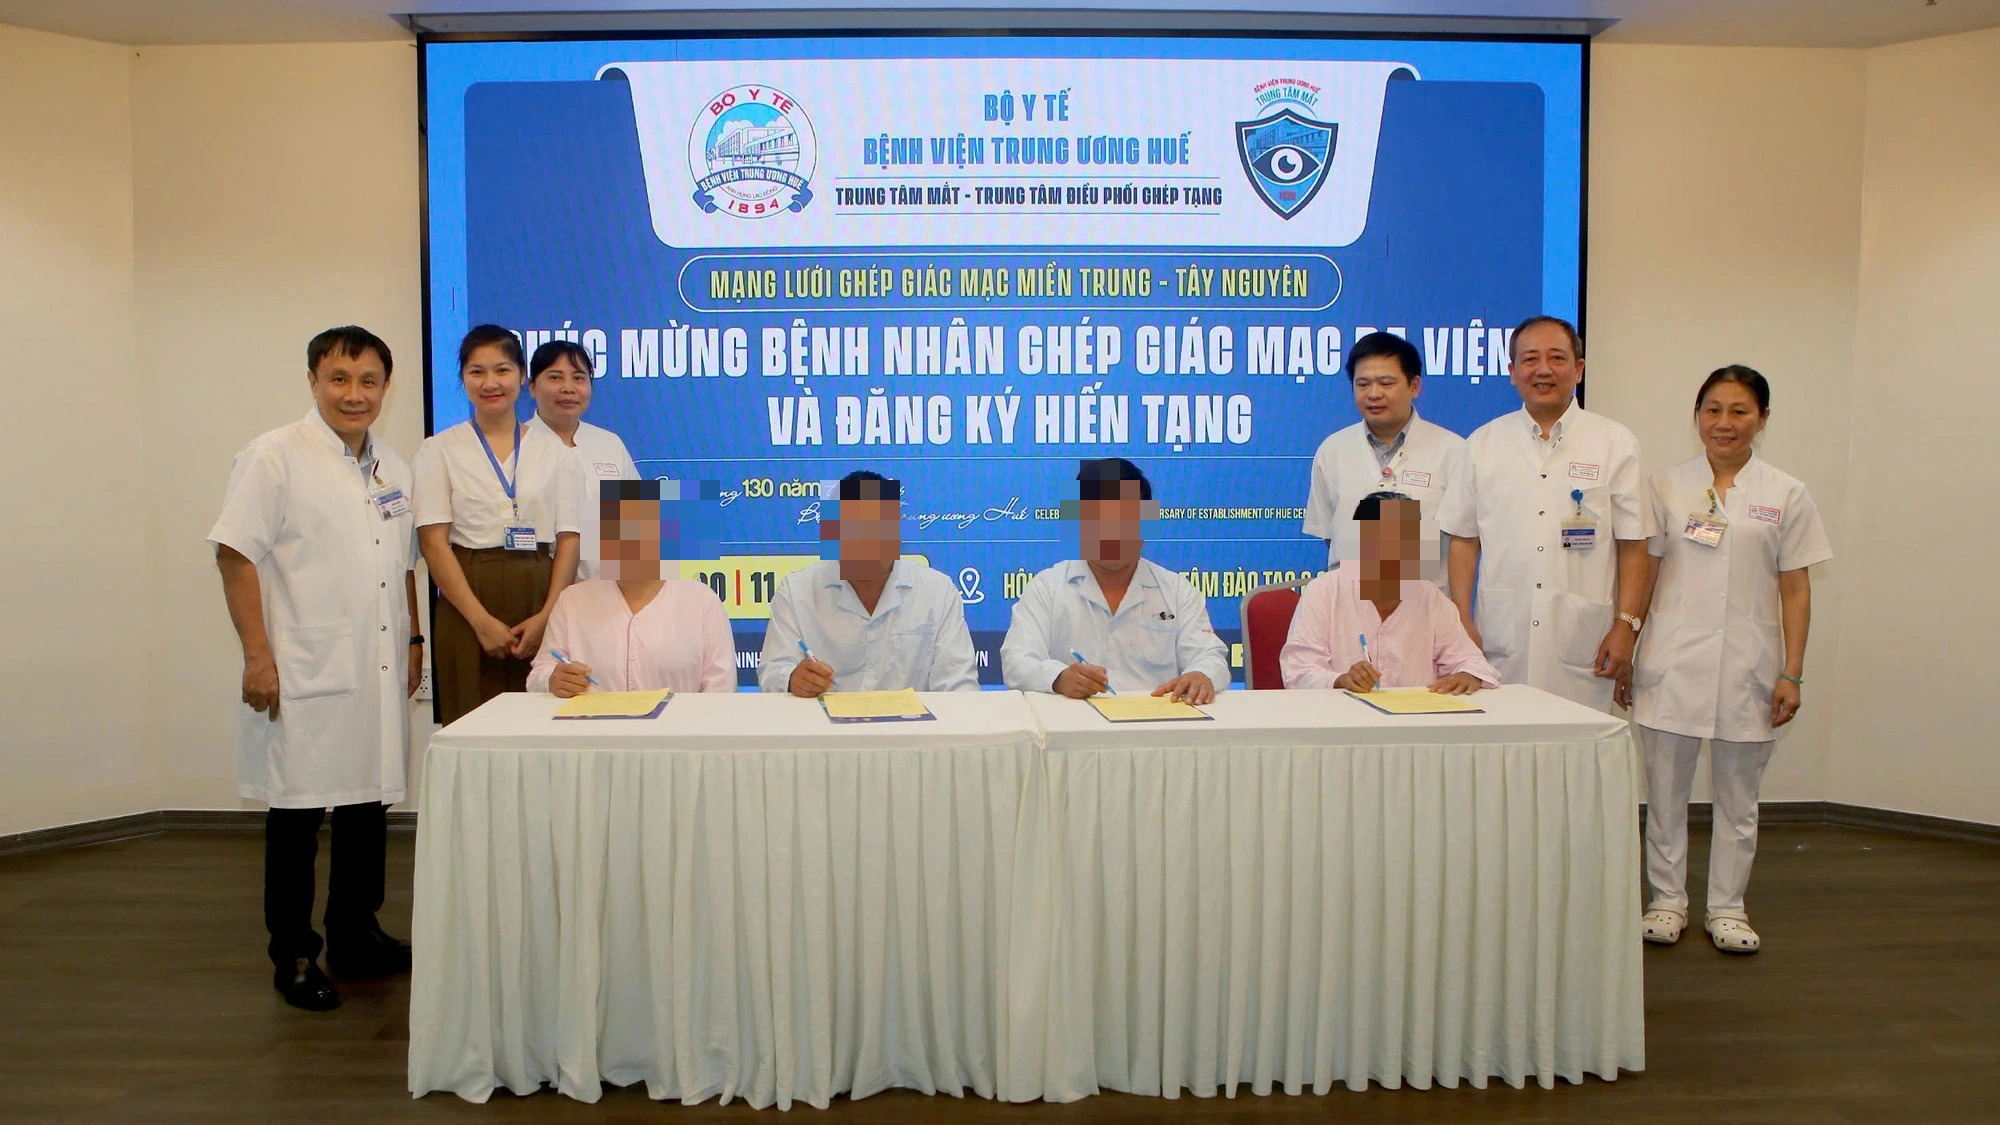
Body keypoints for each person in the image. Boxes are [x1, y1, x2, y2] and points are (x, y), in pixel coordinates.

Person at [208, 326, 421, 1011]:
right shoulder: (274, 456)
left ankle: (356, 931)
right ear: (312, 380)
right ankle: (294, 952)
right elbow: (235, 556)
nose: (353, 394)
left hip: (378, 660)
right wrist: (257, 655)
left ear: (386, 388)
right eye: (339, 378)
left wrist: (414, 644)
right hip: (303, 662)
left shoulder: (392, 462)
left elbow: (404, 561)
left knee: (367, 802)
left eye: (367, 381)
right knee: (297, 812)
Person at [1615, 367, 1831, 954]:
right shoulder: (1665, 487)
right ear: (1696, 416)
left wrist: (1793, 669)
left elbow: (1796, 587)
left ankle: (1728, 908)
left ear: (1763, 418)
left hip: (1750, 668)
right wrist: (1628, 647)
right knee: (1664, 792)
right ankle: (1667, 900)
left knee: (1739, 799)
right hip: (1671, 662)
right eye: (1713, 410)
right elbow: (1645, 572)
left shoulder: (1785, 492)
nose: (1724, 423)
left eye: (1738, 411)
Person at [1440, 315, 1652, 710]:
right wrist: (1462, 621)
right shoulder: (1482, 444)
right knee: (1502, 761)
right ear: (1512, 372)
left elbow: (1633, 546)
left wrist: (1626, 625)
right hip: (1501, 638)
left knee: (1577, 763)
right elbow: (1464, 542)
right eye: (1530, 359)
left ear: (1579, 369)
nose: (1542, 370)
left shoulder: (1615, 443)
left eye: (1556, 358)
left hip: (1585, 642)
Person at [413, 324, 583, 724]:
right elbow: (434, 544)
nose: (490, 382)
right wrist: (480, 621)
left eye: (502, 370)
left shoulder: (555, 452)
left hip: (541, 595)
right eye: (477, 372)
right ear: (463, 379)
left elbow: (570, 541)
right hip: (467, 598)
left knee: (543, 723)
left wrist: (547, 617)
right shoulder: (439, 450)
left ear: (522, 377)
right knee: (473, 724)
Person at [1002, 458, 1230, 702]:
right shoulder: (1047, 587)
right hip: (1071, 730)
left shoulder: (1177, 591)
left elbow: (1209, 654)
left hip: (1159, 728)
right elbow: (1017, 660)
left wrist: (1201, 674)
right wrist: (1058, 678)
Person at [759, 471, 979, 695]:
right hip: (823, 727)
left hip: (913, 727)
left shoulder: (938, 591)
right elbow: (773, 671)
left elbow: (958, 684)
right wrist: (792, 679)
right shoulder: (796, 591)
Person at [529, 479, 734, 696]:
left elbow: (721, 689)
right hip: (593, 727)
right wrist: (552, 680)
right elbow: (539, 674)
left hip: (677, 729)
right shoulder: (572, 600)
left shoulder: (701, 601)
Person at [1281, 492, 1497, 693]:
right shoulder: (1324, 592)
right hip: (1342, 722)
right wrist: (1339, 680)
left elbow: (1472, 661)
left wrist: (1469, 674)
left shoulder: (1431, 597)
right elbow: (1298, 671)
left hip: (1414, 725)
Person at [1302, 331, 1467, 581]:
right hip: (1349, 605)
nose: (1373, 394)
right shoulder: (1333, 449)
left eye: (1386, 383)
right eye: (1363, 384)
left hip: (1427, 607)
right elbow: (1330, 534)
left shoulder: (1453, 451)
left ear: (1414, 386)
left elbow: (1460, 539)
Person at [523, 339, 639, 581]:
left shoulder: (609, 443)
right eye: (555, 378)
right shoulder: (518, 446)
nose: (568, 388)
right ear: (532, 387)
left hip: (610, 595)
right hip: (540, 593)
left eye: (579, 378)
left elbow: (639, 531)